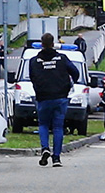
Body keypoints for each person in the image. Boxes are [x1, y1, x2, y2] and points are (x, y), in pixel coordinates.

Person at [29, 33, 79, 167]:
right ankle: (56, 158)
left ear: (41, 43)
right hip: (60, 97)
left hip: (43, 98)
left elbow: (32, 77)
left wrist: (39, 89)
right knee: (58, 127)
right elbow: (75, 72)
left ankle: (45, 148)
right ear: (53, 43)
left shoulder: (34, 61)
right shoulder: (62, 59)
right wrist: (68, 85)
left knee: (43, 125)